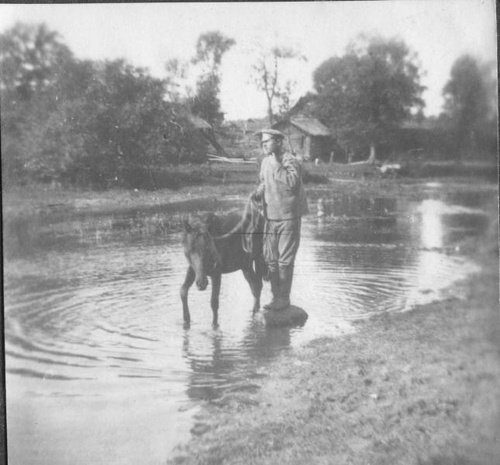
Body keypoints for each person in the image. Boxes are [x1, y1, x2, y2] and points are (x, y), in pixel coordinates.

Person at [251, 129, 308, 310]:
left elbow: (291, 183)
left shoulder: (290, 161)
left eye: (267, 141)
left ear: (278, 142)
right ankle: (276, 298)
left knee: (285, 261)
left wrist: (276, 163)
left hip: (288, 218)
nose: (264, 145)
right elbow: (263, 182)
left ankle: (284, 299)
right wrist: (258, 193)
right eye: (262, 143)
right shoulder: (265, 162)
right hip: (270, 218)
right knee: (271, 261)